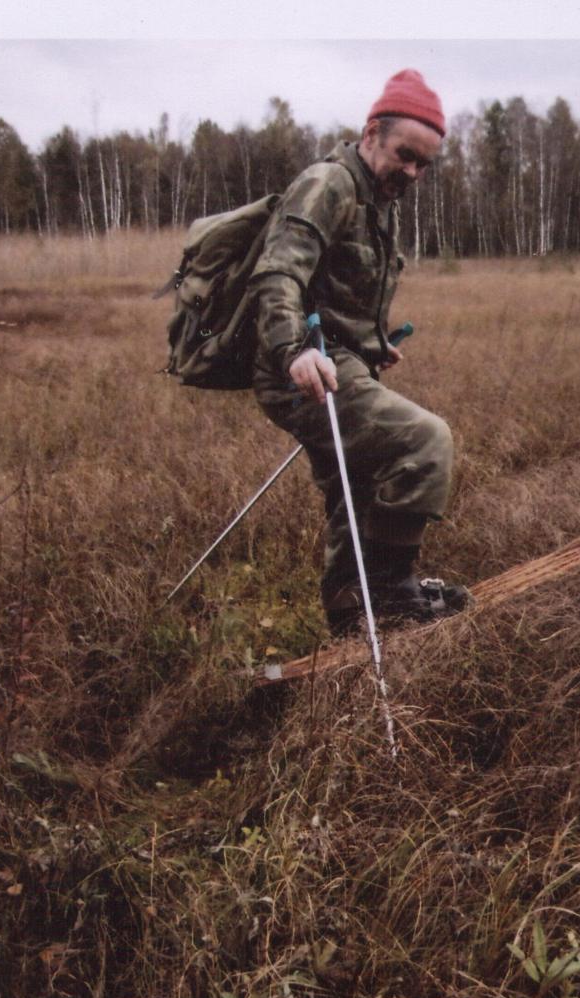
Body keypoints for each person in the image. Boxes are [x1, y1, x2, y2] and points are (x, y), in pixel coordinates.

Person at [250, 69, 470, 636]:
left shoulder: (379, 196)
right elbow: (278, 275)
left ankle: (353, 612)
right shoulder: (329, 184)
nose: (413, 172)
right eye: (405, 155)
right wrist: (294, 351)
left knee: (360, 485)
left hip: (340, 363)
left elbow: (337, 290)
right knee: (425, 442)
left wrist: (375, 344)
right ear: (372, 134)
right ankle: (391, 592)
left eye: (424, 164)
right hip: (301, 370)